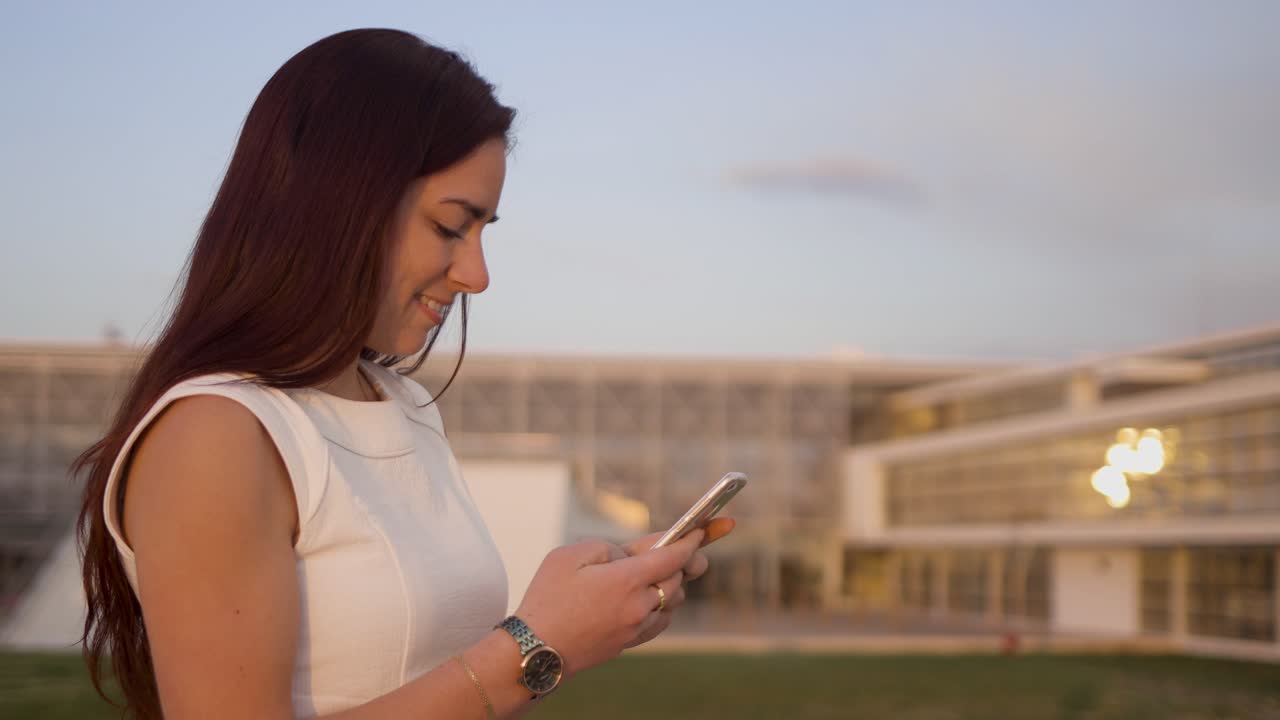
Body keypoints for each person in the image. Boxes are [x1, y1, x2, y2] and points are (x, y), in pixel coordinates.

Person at [72, 28, 735, 720]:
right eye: (452, 226)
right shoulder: (216, 436)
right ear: (337, 206)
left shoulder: (402, 404)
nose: (477, 275)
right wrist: (540, 646)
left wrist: (576, 619)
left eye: (484, 232)